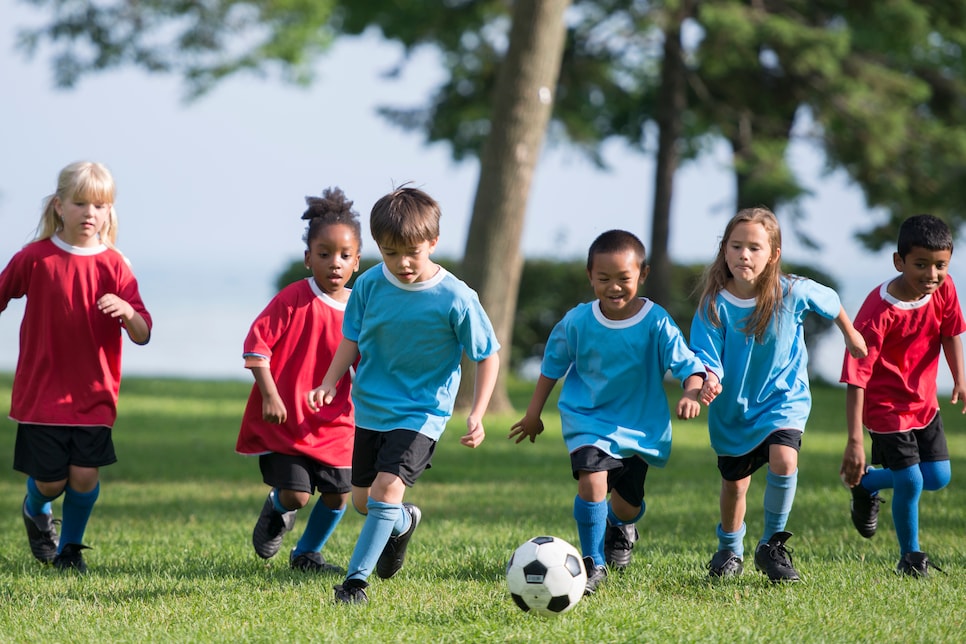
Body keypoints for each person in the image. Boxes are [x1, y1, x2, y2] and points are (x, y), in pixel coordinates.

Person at [307, 186, 501, 604]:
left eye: (412, 251)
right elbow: (351, 340)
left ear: (433, 242)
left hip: (422, 412)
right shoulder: (370, 285)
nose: (403, 263)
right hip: (372, 408)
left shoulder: (456, 297)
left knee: (386, 489)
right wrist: (328, 381)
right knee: (364, 500)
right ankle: (402, 523)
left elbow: (487, 356)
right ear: (378, 247)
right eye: (391, 253)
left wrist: (477, 413)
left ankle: (354, 583)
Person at [508, 230, 706, 595]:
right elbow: (552, 367)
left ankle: (620, 525)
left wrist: (693, 391)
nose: (613, 287)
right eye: (603, 279)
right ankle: (592, 562)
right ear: (590, 276)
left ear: (642, 275)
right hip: (588, 418)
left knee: (628, 506)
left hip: (639, 427)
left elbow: (688, 365)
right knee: (592, 481)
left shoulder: (656, 321)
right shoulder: (577, 322)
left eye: (623, 279)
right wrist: (533, 413)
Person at [691, 206, 867, 582]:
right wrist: (711, 379)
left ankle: (772, 545)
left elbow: (832, 301)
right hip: (733, 409)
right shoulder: (713, 305)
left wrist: (850, 334)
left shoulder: (793, 291)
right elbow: (707, 355)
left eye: (755, 247)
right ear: (724, 250)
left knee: (784, 460)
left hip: (783, 399)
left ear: (774, 254)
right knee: (734, 487)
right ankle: (729, 548)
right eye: (736, 246)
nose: (744, 255)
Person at [1, 161, 152, 573]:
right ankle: (36, 509)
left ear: (109, 212)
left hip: (94, 394)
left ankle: (69, 551)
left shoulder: (116, 265)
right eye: (80, 203)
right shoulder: (34, 259)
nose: (90, 213)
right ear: (58, 206)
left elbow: (142, 332)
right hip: (41, 393)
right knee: (50, 482)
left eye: (100, 205)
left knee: (84, 477)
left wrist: (126, 310)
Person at [236, 187, 362, 573]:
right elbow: (257, 348)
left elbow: (371, 361)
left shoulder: (362, 307)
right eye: (324, 254)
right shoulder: (293, 299)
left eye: (344, 256)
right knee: (296, 496)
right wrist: (270, 395)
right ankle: (277, 508)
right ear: (309, 258)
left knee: (339, 497)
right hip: (288, 422)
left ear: (357, 261)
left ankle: (307, 553)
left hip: (339, 423)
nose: (334, 263)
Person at [840, 213, 966, 577]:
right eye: (921, 265)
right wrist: (854, 441)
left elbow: (950, 332)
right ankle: (911, 558)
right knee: (910, 480)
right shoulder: (876, 314)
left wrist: (959, 378)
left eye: (940, 265)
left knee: (938, 476)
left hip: (924, 404)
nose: (932, 275)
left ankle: (866, 484)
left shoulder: (944, 289)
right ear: (899, 261)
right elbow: (855, 378)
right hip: (885, 409)